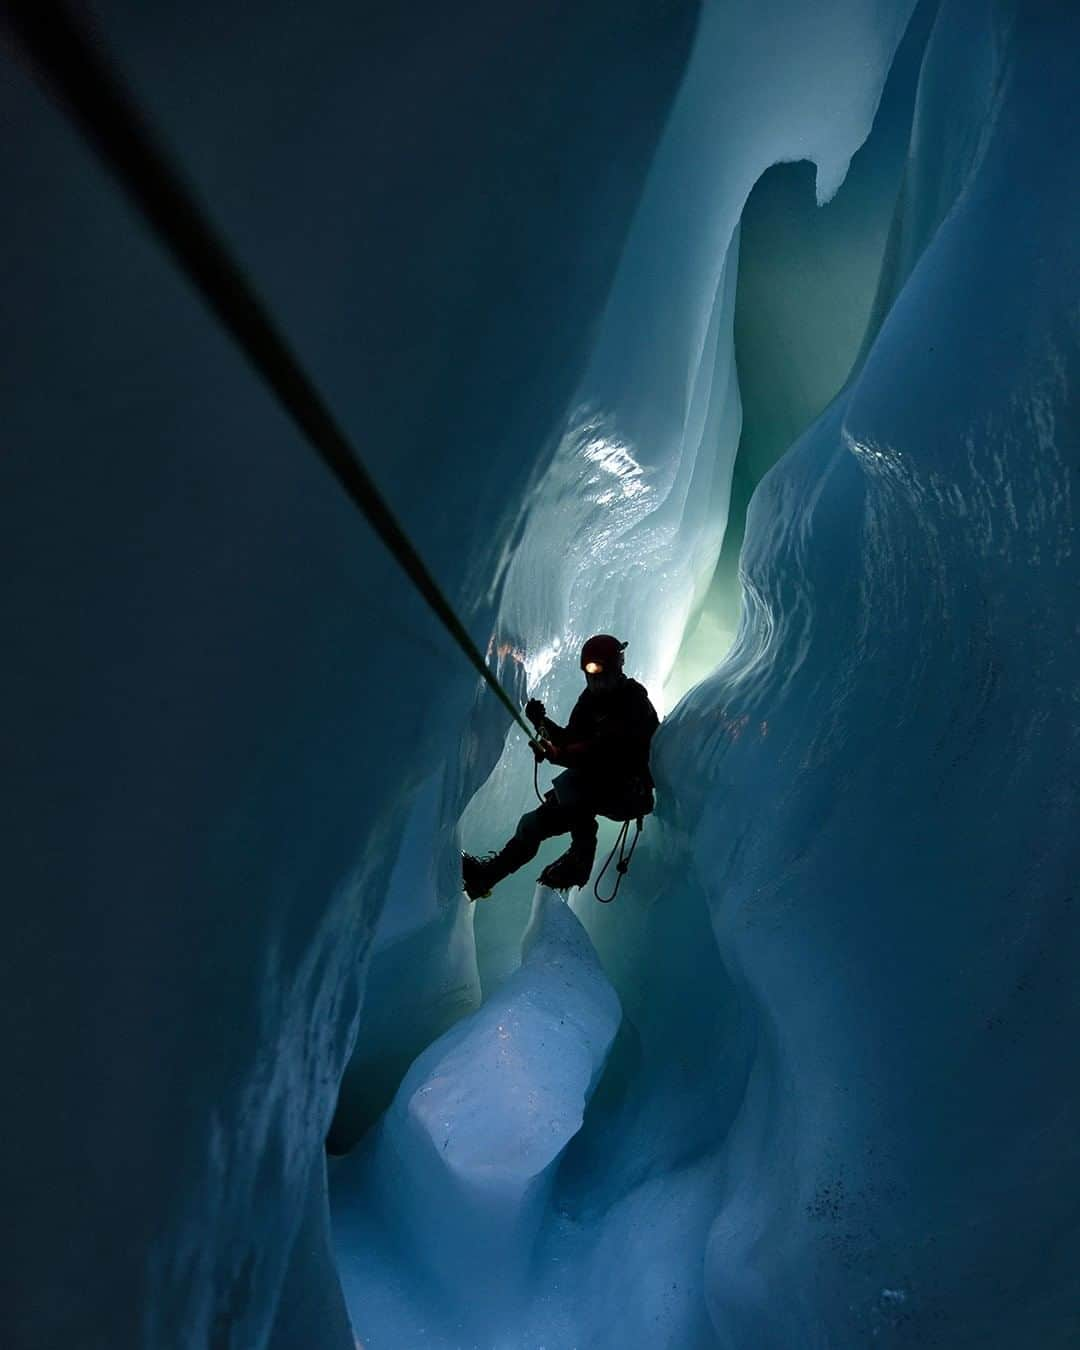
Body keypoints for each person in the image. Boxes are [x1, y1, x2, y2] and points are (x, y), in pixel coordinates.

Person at [462, 634, 659, 899]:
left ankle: (581, 856)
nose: (596, 682)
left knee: (576, 786)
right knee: (532, 824)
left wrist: (558, 753)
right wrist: (542, 723)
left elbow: (604, 751)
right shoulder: (588, 701)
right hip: (593, 785)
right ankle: (484, 878)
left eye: (602, 674)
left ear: (617, 669)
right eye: (590, 675)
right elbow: (573, 741)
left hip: (629, 792)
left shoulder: (633, 700)